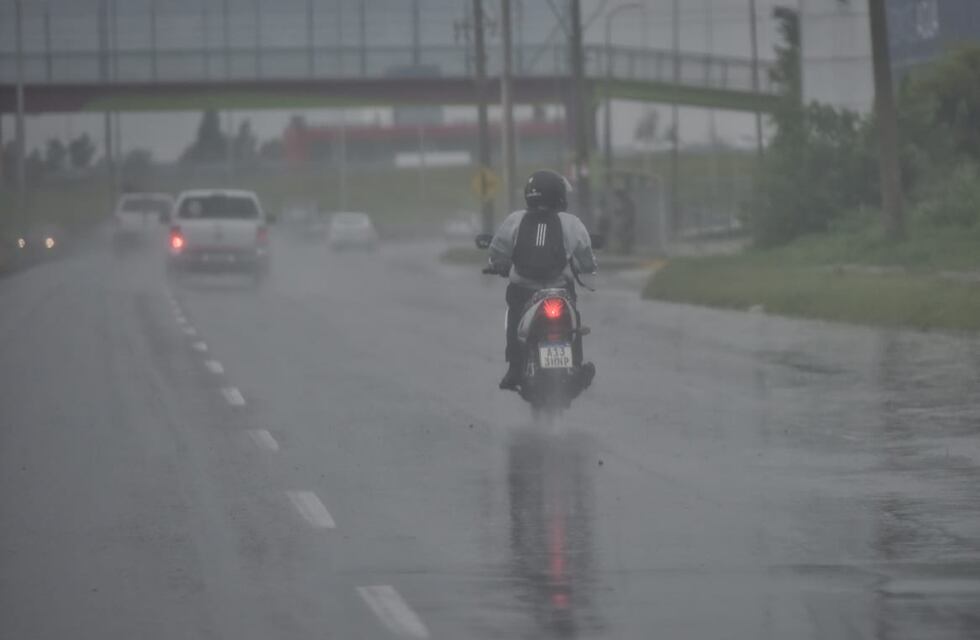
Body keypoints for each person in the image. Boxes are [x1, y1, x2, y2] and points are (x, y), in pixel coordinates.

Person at [487, 170, 597, 391]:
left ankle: (515, 368)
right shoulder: (571, 223)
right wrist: (587, 267)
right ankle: (576, 364)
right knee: (572, 319)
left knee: (514, 318)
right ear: (559, 195)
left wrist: (498, 264)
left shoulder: (515, 220)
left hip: (523, 289)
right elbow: (586, 258)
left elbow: (498, 250)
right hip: (560, 290)